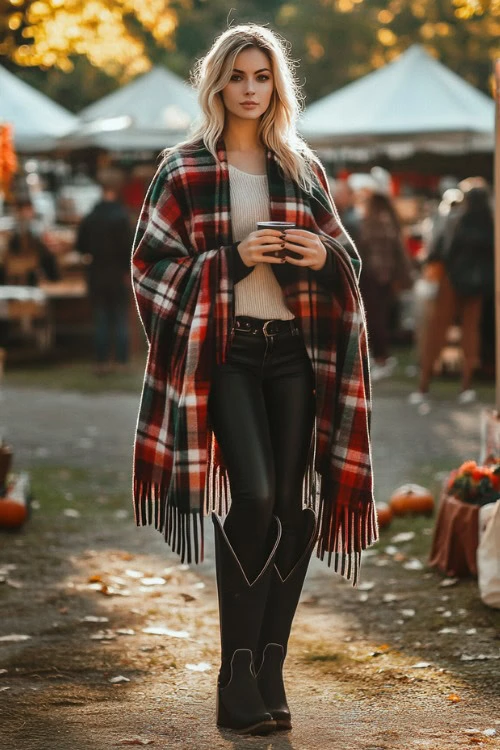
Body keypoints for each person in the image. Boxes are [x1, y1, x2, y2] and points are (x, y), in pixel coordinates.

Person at [131, 24, 377, 736]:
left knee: (296, 510)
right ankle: (235, 674)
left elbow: (349, 265)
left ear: (277, 87)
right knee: (258, 495)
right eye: (237, 76)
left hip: (296, 354)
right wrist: (231, 260)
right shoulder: (181, 168)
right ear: (217, 84)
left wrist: (322, 254)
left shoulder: (301, 168)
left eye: (262, 77)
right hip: (230, 355)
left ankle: (270, 666)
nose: (249, 88)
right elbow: (149, 274)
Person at [409, 182, 494, 405]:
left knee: (437, 332)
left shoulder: (455, 218)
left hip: (451, 281)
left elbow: (439, 248)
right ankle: (466, 386)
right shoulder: (491, 222)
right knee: (471, 333)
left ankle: (424, 385)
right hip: (478, 286)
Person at [76, 185, 133, 374]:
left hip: (96, 275)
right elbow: (130, 248)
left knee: (100, 319)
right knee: (120, 319)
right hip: (118, 275)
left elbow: (80, 246)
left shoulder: (90, 217)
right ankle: (122, 361)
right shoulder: (122, 217)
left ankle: (101, 361)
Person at [357, 191, 412, 381]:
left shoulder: (375, 221)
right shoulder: (388, 219)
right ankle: (379, 357)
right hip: (384, 276)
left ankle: (381, 358)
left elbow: (364, 246)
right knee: (377, 318)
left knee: (375, 319)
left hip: (374, 275)